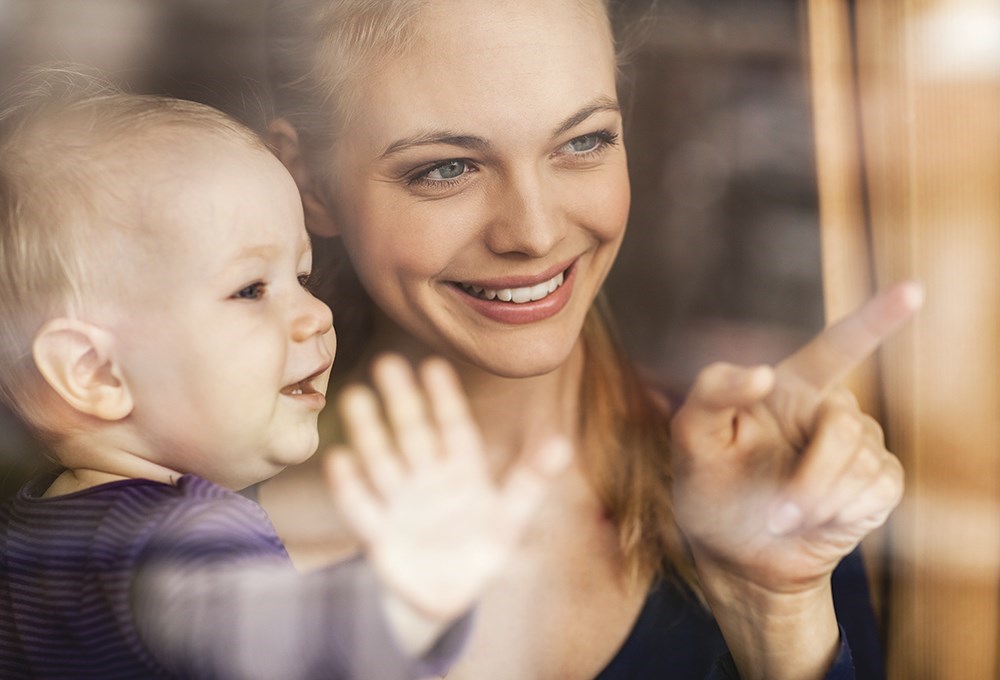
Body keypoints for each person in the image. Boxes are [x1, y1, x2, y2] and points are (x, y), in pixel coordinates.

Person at [258, 0, 923, 678]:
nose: (535, 232)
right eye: (446, 168)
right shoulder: (202, 541)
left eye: (582, 142)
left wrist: (773, 611)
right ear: (309, 181)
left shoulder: (758, 471)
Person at [0, 67, 570, 679]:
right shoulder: (182, 536)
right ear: (96, 371)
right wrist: (403, 600)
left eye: (300, 279)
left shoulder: (33, 539)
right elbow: (269, 640)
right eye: (250, 290)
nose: (316, 314)